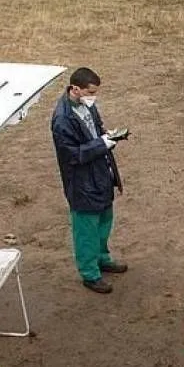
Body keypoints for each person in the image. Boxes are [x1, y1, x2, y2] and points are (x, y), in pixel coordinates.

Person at [51, 67, 128, 294]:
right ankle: (90, 274)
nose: (93, 96)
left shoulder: (86, 106)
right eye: (90, 92)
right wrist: (101, 144)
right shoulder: (62, 119)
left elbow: (96, 127)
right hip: (82, 184)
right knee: (86, 230)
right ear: (76, 89)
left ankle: (102, 258)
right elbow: (71, 155)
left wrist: (108, 135)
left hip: (100, 176)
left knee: (104, 221)